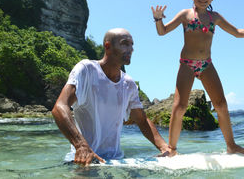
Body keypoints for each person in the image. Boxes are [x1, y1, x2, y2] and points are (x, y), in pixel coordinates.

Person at [151, 0, 244, 157]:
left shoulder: (215, 17)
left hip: (206, 65)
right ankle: (171, 149)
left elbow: (237, 33)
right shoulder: (185, 15)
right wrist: (157, 19)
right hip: (187, 64)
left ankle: (231, 146)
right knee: (179, 107)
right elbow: (162, 32)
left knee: (221, 104)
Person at [52, 28, 169, 166]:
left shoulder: (129, 84)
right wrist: (81, 146)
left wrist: (165, 148)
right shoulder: (87, 70)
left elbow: (142, 120)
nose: (131, 49)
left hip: (116, 161)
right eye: (125, 43)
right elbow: (59, 107)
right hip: (84, 160)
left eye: (132, 45)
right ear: (108, 46)